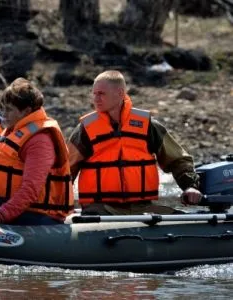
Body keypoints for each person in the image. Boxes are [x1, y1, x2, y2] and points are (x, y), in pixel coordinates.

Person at [67, 70, 202, 215]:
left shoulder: (147, 125)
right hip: (101, 208)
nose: (96, 98)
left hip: (142, 207)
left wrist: (190, 186)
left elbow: (177, 159)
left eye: (101, 94)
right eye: (94, 93)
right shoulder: (86, 129)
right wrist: (61, 205)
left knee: (179, 219)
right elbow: (65, 170)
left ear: (120, 93)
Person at [0, 78, 74, 225]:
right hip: (18, 207)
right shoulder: (13, 131)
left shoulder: (40, 141)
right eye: (3, 108)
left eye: (9, 109)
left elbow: (31, 189)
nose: (3, 114)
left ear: (26, 111)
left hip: (40, 214)